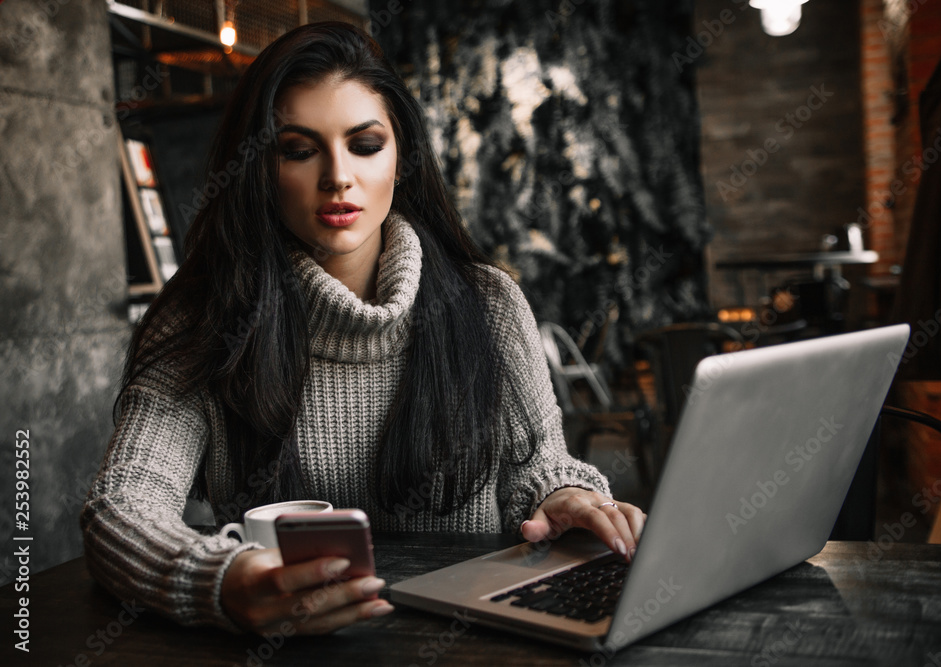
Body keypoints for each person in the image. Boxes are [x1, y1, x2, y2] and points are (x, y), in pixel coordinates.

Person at [80, 21, 644, 637]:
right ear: (258, 171)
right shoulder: (204, 316)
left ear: (400, 158)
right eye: (298, 150)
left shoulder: (489, 302)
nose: (337, 177)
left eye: (365, 144)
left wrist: (562, 499)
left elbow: (539, 468)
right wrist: (218, 581)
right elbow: (123, 507)